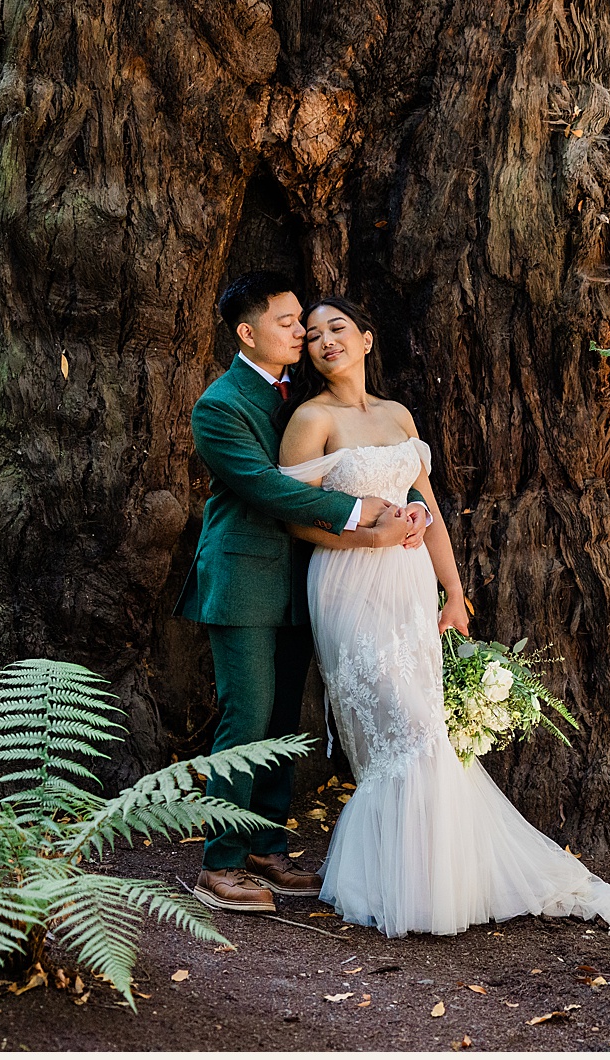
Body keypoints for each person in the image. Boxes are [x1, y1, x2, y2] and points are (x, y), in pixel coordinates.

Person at [278, 297, 610, 937]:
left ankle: (439, 878)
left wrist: (452, 590)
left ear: (366, 338)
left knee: (426, 726)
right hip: (347, 580)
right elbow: (293, 518)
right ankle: (402, 884)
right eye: (311, 336)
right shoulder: (312, 418)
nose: (324, 340)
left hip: (411, 581)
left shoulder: (396, 416)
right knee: (404, 727)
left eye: (337, 328)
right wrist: (371, 540)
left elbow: (429, 506)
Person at [177, 273, 426, 915]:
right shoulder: (221, 405)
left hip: (303, 577)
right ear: (246, 333)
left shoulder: (296, 397)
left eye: (302, 322)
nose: (299, 331)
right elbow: (266, 487)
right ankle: (220, 864)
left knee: (285, 719)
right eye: (288, 321)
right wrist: (359, 510)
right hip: (242, 579)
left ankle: (265, 843)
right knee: (248, 715)